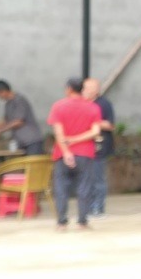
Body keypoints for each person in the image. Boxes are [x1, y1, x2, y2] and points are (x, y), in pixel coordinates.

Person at [46, 77, 104, 230]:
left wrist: (66, 151)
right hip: (85, 153)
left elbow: (59, 133)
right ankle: (82, 221)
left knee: (61, 188)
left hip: (61, 154)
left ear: (69, 89)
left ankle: (61, 222)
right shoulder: (93, 107)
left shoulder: (58, 106)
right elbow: (95, 132)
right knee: (84, 187)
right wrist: (76, 140)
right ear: (82, 89)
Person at [82, 77, 116, 219]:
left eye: (88, 88)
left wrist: (95, 121)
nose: (84, 91)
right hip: (84, 146)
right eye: (84, 88)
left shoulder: (104, 104)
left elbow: (110, 125)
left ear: (96, 90)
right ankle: (88, 208)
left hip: (100, 146)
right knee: (86, 179)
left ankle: (98, 208)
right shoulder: (81, 103)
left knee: (98, 178)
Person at [0, 80, 44, 155]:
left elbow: (18, 122)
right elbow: (3, 121)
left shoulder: (19, 100)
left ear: (3, 91)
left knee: (32, 165)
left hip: (31, 141)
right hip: (21, 142)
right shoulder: (8, 104)